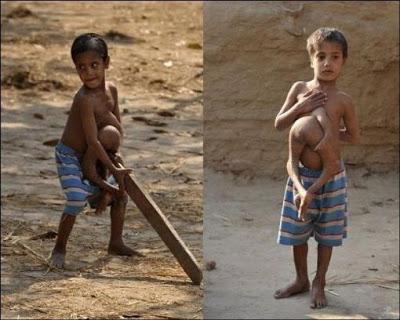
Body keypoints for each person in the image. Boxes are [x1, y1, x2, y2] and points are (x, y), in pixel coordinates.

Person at [273, 27, 360, 308]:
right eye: (321, 56)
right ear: (311, 59)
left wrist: (332, 134)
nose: (327, 63)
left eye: (335, 57)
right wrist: (302, 107)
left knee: (327, 232)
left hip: (331, 179)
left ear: (343, 61)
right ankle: (300, 279)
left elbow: (354, 136)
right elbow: (279, 123)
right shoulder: (300, 89)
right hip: (300, 174)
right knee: (298, 231)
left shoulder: (344, 100)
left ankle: (319, 280)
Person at [49, 33, 137, 269]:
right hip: (71, 155)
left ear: (107, 63)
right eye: (81, 68)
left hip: (96, 151)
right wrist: (111, 172)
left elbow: (117, 127)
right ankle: (59, 249)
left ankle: (115, 242)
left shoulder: (112, 90)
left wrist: (113, 159)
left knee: (121, 195)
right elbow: (92, 140)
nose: (88, 73)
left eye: (94, 65)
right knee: (77, 198)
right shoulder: (84, 99)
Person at [82, 125, 124, 216]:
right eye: (106, 150)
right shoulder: (93, 150)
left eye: (113, 150)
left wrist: (107, 193)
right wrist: (110, 189)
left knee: (122, 198)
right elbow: (90, 174)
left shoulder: (115, 155)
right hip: (89, 185)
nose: (109, 154)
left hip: (106, 186)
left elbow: (121, 180)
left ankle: (117, 230)